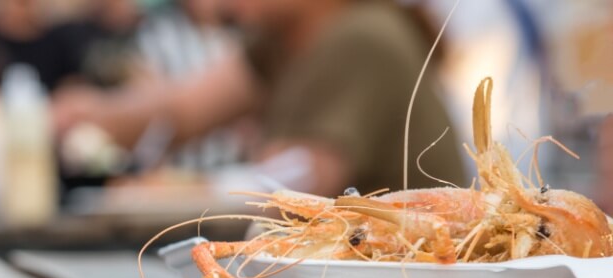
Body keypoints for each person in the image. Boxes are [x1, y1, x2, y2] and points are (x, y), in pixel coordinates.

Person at [55, 0, 467, 196]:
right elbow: (180, 112)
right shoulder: (278, 40)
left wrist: (156, 192)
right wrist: (85, 113)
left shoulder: (361, 37)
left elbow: (290, 187)